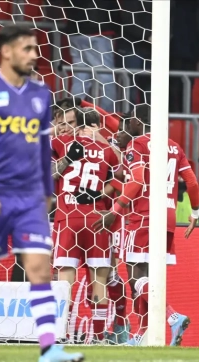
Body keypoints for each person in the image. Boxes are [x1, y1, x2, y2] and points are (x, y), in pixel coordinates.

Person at [0, 26, 84, 362]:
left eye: (35, 48)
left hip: (29, 198)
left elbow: (43, 147)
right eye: (27, 48)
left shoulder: (41, 94)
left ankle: (49, 350)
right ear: (7, 52)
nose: (34, 55)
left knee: (40, 269)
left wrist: (47, 191)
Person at [92, 104, 199, 346]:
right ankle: (140, 336)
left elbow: (138, 180)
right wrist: (195, 212)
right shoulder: (174, 146)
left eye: (128, 121)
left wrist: (115, 210)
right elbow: (191, 182)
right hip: (168, 216)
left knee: (135, 277)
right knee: (149, 280)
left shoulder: (138, 144)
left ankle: (173, 317)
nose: (124, 126)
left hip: (143, 216)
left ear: (138, 122)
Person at [51, 107, 119, 344]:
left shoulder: (62, 142)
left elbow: (47, 171)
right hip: (97, 218)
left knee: (65, 281)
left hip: (68, 218)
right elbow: (122, 176)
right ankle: (99, 338)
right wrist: (101, 193)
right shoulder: (107, 150)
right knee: (99, 282)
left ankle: (64, 334)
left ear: (76, 125)